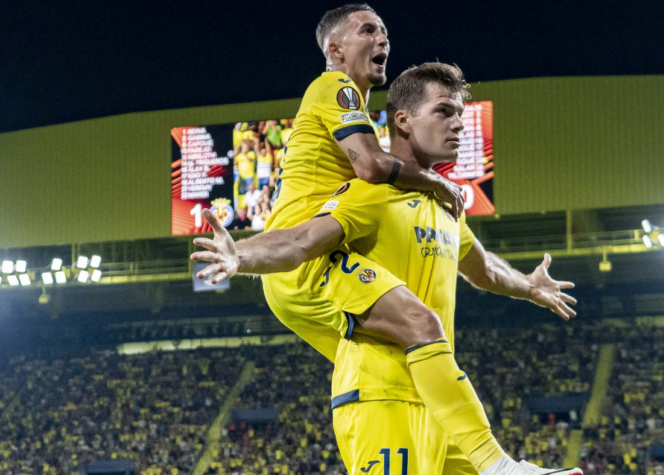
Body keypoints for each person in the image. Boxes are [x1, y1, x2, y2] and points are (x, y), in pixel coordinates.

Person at [192, 62, 580, 475]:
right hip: (381, 398)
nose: (459, 126)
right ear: (403, 120)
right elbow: (301, 240)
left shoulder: (448, 207)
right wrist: (241, 255)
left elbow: (483, 270)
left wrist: (529, 286)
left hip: (441, 407)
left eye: (461, 116)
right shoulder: (372, 193)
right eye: (444, 112)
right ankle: (502, 468)